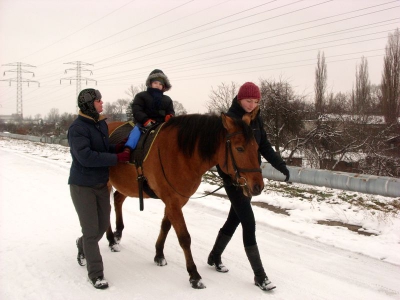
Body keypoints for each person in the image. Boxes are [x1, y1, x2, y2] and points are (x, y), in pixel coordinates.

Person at [207, 82, 290, 291]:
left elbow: (264, 145)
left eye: (255, 101)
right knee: (249, 222)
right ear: (239, 98)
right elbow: (220, 154)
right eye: (248, 100)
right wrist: (229, 177)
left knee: (235, 218)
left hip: (250, 177)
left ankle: (214, 255)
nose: (252, 104)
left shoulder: (255, 119)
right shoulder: (229, 120)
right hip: (234, 179)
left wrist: (280, 165)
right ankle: (260, 276)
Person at [68, 88, 129, 289]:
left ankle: (82, 243)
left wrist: (117, 149)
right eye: (98, 101)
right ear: (88, 104)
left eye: (101, 100)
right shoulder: (77, 128)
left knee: (102, 226)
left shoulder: (100, 124)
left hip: (101, 184)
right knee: (91, 231)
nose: (102, 103)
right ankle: (96, 274)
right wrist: (115, 158)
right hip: (82, 186)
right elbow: (85, 157)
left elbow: (101, 150)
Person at [124, 69, 174, 152]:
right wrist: (145, 120)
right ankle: (128, 149)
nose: (158, 85)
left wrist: (170, 117)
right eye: (155, 83)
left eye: (160, 84)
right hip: (144, 124)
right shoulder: (141, 96)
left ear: (164, 86)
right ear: (150, 83)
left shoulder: (167, 99)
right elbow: (137, 110)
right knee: (136, 131)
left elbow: (170, 111)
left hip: (161, 124)